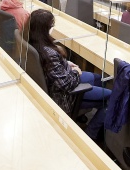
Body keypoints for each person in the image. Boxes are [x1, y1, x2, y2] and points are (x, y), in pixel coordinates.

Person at [27, 10, 111, 140]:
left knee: (99, 79)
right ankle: (90, 134)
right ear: (45, 29)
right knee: (112, 98)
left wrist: (66, 63)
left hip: (61, 76)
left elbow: (54, 68)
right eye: (51, 25)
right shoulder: (50, 54)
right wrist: (75, 72)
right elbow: (66, 85)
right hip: (63, 95)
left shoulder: (33, 41)